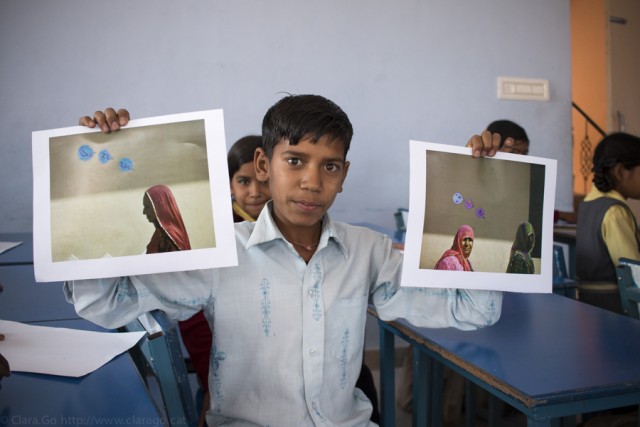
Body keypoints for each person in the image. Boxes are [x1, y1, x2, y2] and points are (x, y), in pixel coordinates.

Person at [68, 95, 504, 426]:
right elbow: (105, 304)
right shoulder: (220, 255)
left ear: (344, 175)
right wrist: (98, 175)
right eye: (295, 161)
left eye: (330, 167)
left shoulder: (368, 252)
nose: (312, 182)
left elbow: (473, 309)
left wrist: (479, 186)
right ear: (263, 164)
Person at [576, 132, 640, 314]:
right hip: (616, 310)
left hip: (590, 307)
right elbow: (633, 272)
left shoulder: (589, 203)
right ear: (620, 172)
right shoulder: (615, 212)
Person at [143, 184, 191, 253]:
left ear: (159, 207)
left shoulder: (169, 237)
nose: (144, 212)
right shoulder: (161, 233)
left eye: (147, 207)